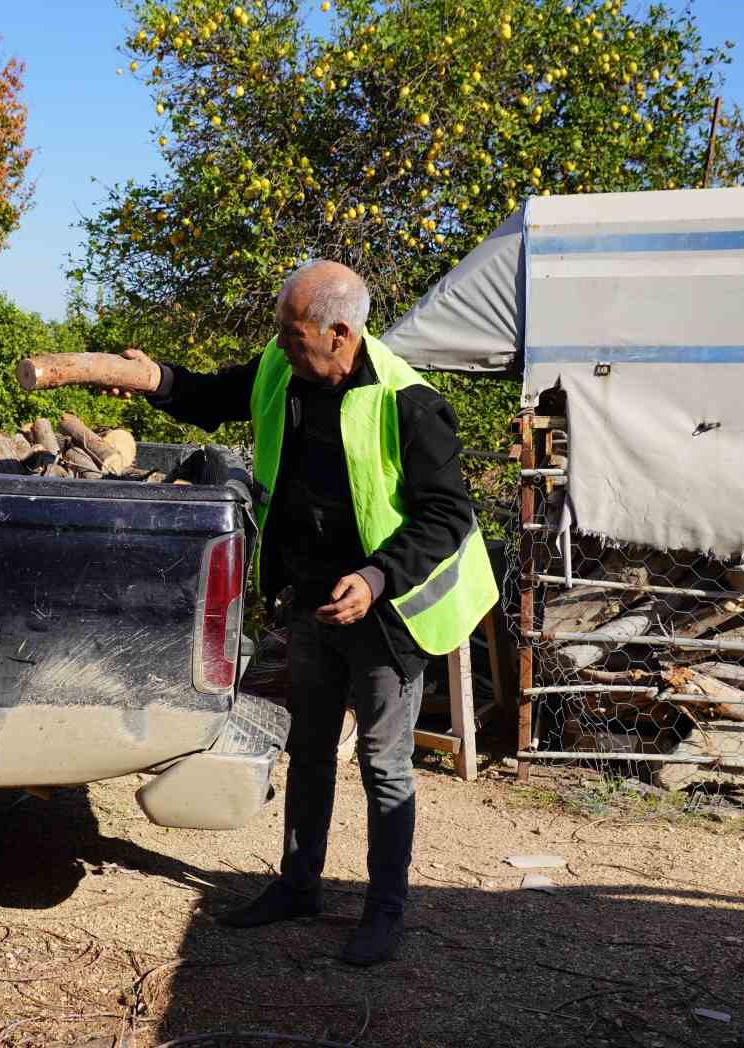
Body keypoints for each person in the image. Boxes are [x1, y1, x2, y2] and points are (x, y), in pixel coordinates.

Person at [111, 260, 497, 965]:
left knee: (384, 764)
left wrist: (378, 577)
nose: (280, 345)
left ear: (341, 334)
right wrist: (154, 378)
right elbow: (210, 394)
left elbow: (449, 515)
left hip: (388, 611)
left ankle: (385, 912)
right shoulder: (283, 368)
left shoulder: (410, 405)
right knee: (310, 750)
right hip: (313, 597)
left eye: (293, 335)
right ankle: (298, 885)